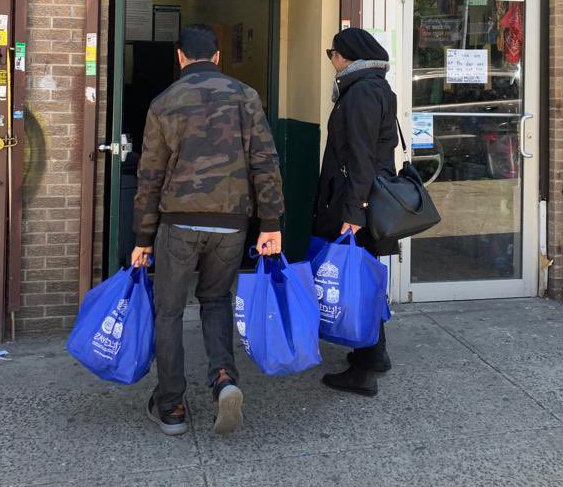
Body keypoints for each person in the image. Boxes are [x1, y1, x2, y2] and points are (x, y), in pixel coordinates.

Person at [131, 24, 284, 437]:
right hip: (231, 224)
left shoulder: (163, 102)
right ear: (217, 57)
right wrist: (270, 224)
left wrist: (143, 239)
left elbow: (150, 176)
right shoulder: (246, 96)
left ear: (180, 57)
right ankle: (223, 380)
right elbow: (265, 163)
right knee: (216, 301)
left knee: (170, 311)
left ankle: (172, 405)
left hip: (178, 222)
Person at [313, 27, 398, 398]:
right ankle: (375, 353)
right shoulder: (374, 86)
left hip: (355, 201)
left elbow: (361, 157)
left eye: (332, 52)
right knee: (363, 277)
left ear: (347, 56)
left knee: (356, 281)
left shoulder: (362, 92)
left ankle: (364, 371)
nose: (330, 58)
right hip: (361, 199)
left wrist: (354, 211)